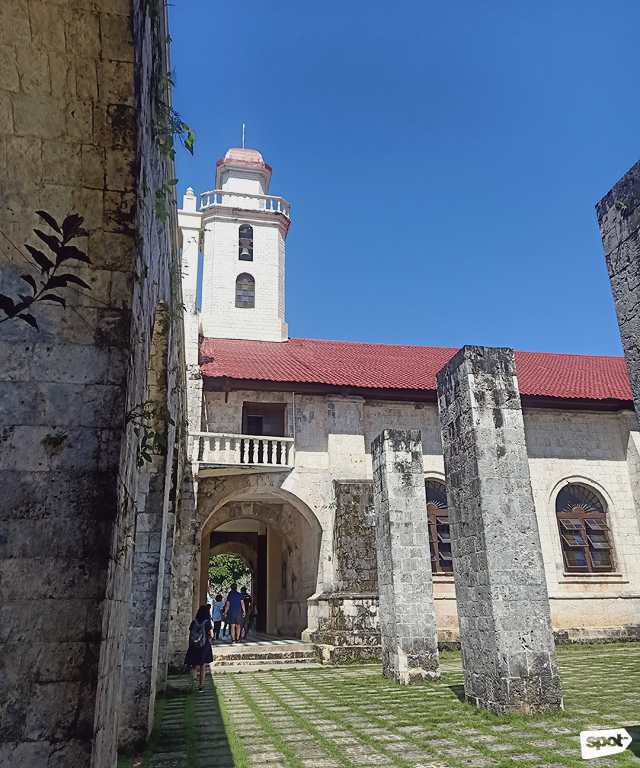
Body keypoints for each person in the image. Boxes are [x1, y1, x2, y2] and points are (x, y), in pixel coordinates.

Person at [184, 604, 213, 692]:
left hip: (194, 646)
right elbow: (212, 635)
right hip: (204, 646)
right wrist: (208, 640)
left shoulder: (194, 622)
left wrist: (191, 644)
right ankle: (201, 686)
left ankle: (193, 682)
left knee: (194, 666)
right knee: (202, 666)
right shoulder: (207, 623)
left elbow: (190, 635)